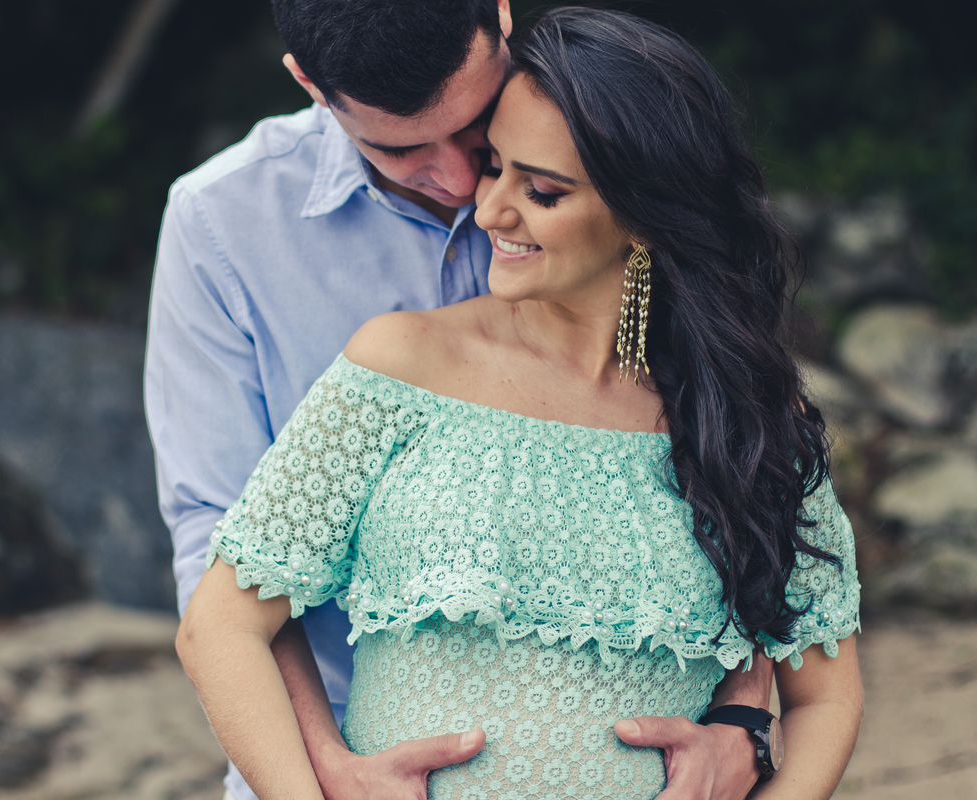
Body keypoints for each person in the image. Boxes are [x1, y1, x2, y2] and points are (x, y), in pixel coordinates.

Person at [173, 6, 863, 800]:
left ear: (644, 214)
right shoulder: (400, 360)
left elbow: (825, 689)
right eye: (495, 165)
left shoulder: (746, 418)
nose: (483, 203)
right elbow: (221, 617)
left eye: (537, 188)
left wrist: (750, 743)